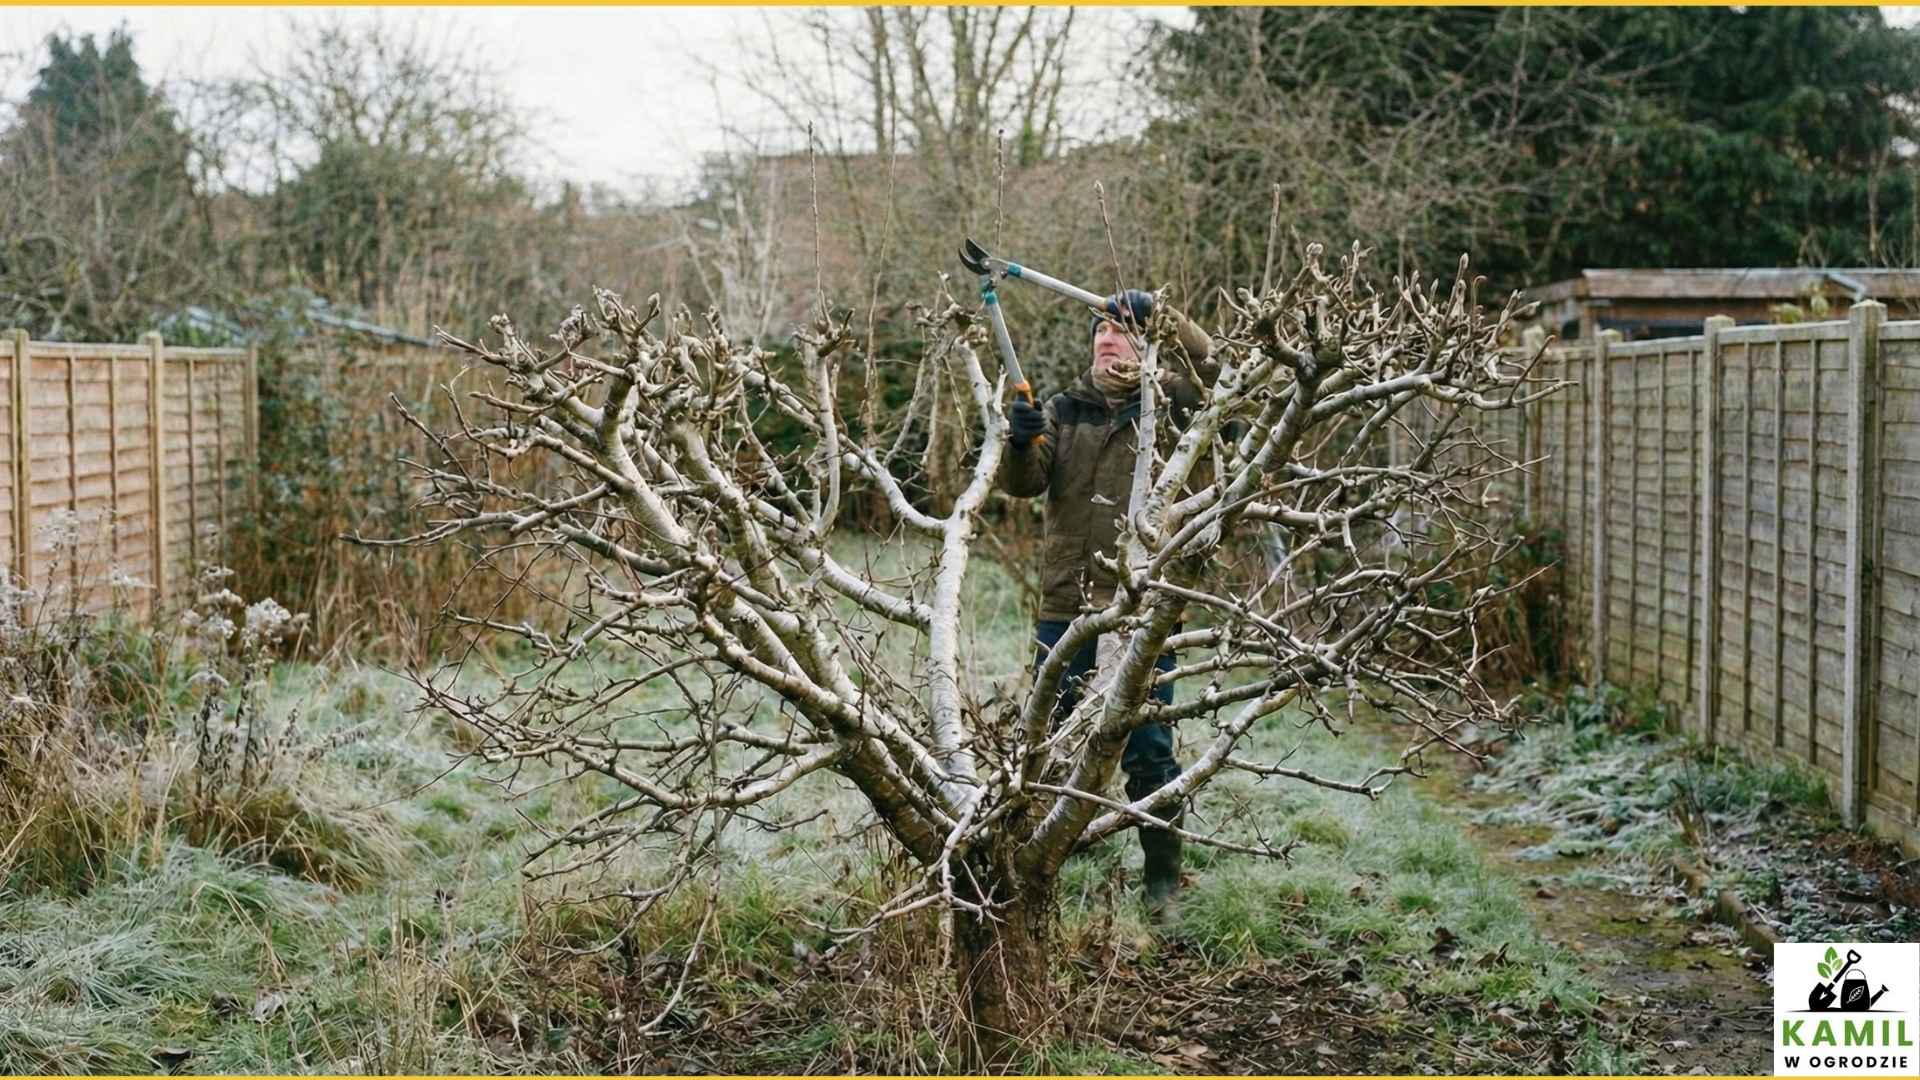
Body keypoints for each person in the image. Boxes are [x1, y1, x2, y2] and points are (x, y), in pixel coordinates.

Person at [996, 289, 1211, 914]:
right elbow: (1024, 486)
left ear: (1145, 341)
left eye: (1121, 329)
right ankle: (1046, 864)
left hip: (1144, 608)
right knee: (1050, 743)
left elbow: (1227, 374)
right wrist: (1020, 440)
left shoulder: (1175, 405)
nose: (1107, 339)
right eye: (1100, 331)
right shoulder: (1065, 407)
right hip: (1067, 606)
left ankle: (1164, 883)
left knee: (1147, 748)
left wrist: (1169, 316)